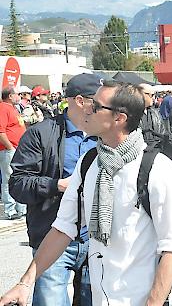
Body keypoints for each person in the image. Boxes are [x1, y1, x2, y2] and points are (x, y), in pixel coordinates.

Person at [0, 81, 172, 306]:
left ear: (119, 118)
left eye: (96, 106)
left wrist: (153, 303)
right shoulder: (89, 164)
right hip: (102, 296)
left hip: (142, 297)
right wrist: (25, 283)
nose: (87, 109)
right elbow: (63, 228)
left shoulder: (158, 169)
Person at [9, 73, 102, 306]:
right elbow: (17, 184)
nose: (104, 106)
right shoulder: (41, 133)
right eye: (98, 101)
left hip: (97, 240)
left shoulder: (105, 134)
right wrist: (56, 185)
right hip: (53, 237)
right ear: (80, 101)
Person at [0, 86, 27, 220]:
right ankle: (10, 210)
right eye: (18, 94)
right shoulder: (3, 108)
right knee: (9, 179)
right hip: (9, 150)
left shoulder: (13, 109)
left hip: (17, 149)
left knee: (18, 177)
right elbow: (1, 131)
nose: (20, 97)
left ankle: (20, 208)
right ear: (10, 96)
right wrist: (10, 147)